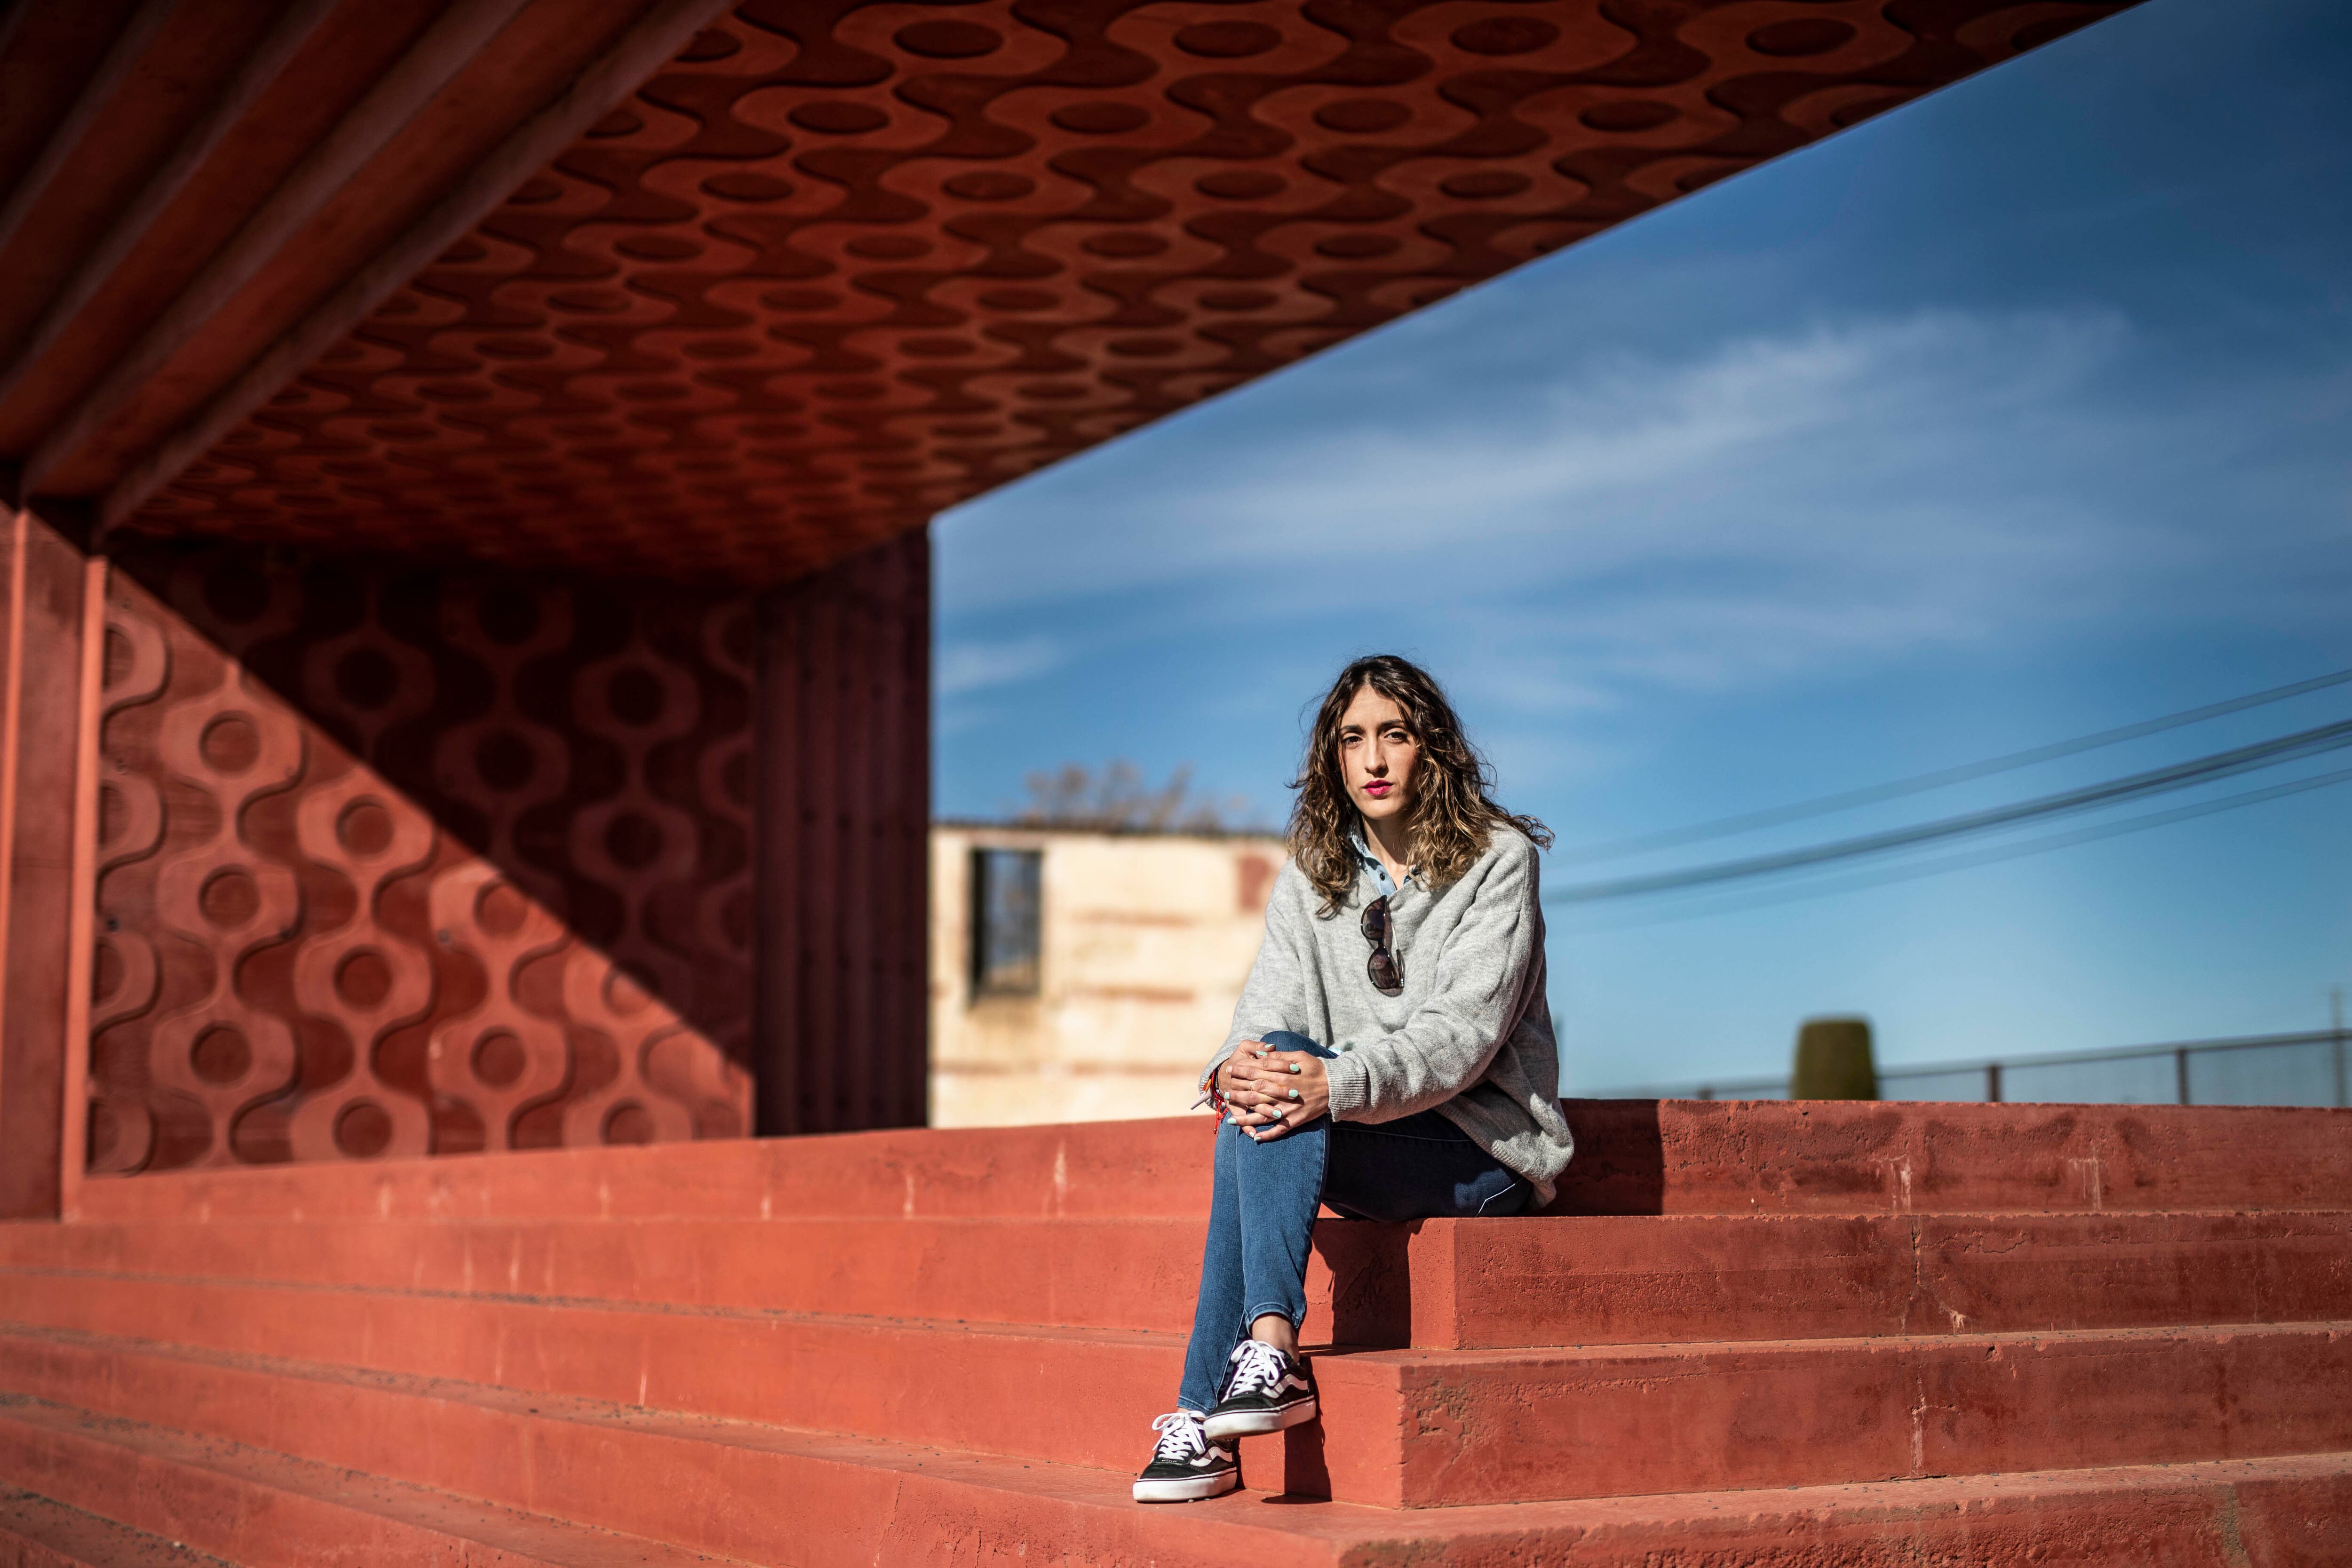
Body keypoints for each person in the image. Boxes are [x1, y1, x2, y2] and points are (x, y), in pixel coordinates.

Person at [1132, 654, 1575, 1504]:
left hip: (1481, 1151)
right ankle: (1263, 1360)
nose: (1373, 760)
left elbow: (1463, 1039)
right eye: (1353, 739)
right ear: (1334, 759)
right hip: (1361, 1130)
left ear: (1431, 748)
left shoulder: (1498, 861)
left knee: (1270, 1109)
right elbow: (1267, 1006)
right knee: (1262, 1085)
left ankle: (1215, 1404)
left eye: (1394, 735)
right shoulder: (1313, 871)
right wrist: (1240, 1063)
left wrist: (1330, 1086)